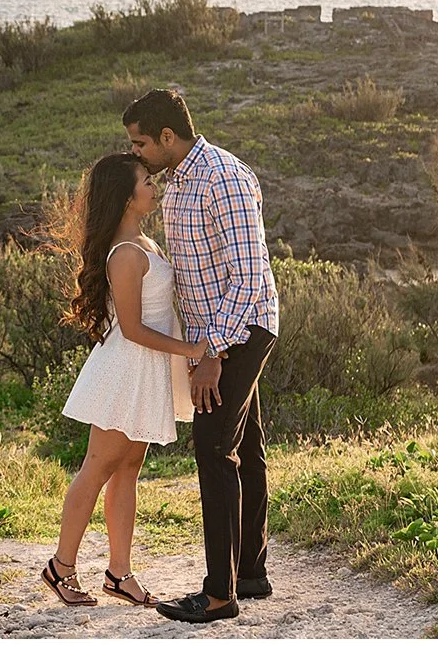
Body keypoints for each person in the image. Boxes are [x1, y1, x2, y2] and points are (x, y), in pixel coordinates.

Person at [122, 89, 280, 624]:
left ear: (169, 137)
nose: (138, 152)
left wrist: (212, 352)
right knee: (244, 445)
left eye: (141, 142)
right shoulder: (180, 181)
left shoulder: (223, 179)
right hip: (214, 332)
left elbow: (248, 277)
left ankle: (219, 594)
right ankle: (250, 573)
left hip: (243, 328)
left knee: (213, 448)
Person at [42, 152, 204, 608]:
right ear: (126, 197)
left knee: (128, 470)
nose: (154, 186)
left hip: (144, 373)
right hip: (125, 372)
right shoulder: (126, 254)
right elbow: (132, 329)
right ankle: (61, 568)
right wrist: (190, 351)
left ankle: (118, 573)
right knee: (96, 469)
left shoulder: (145, 244)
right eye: (146, 182)